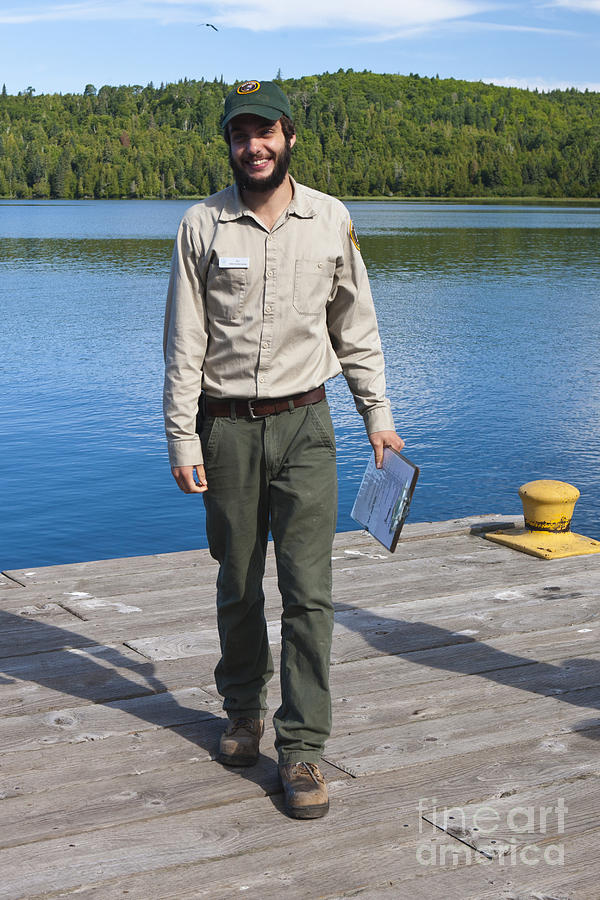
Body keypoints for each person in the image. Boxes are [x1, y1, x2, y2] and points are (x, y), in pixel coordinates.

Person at [163, 80, 404, 819]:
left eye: (265, 132)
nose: (253, 146)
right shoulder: (201, 226)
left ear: (290, 136)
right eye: (240, 135)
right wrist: (180, 435)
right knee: (237, 582)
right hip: (225, 429)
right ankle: (242, 712)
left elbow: (354, 328)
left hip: (308, 427)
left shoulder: (330, 220)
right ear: (229, 145)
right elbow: (184, 341)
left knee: (309, 594)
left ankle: (301, 749)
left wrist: (379, 417)